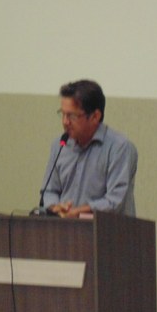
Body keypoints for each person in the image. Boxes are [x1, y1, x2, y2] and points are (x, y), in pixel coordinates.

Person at [41, 80, 137, 218]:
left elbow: (115, 201)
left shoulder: (119, 148)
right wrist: (55, 207)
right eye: (63, 114)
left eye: (72, 116)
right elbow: (49, 191)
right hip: (64, 229)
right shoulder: (60, 145)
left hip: (107, 229)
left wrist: (76, 212)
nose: (65, 122)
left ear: (95, 116)